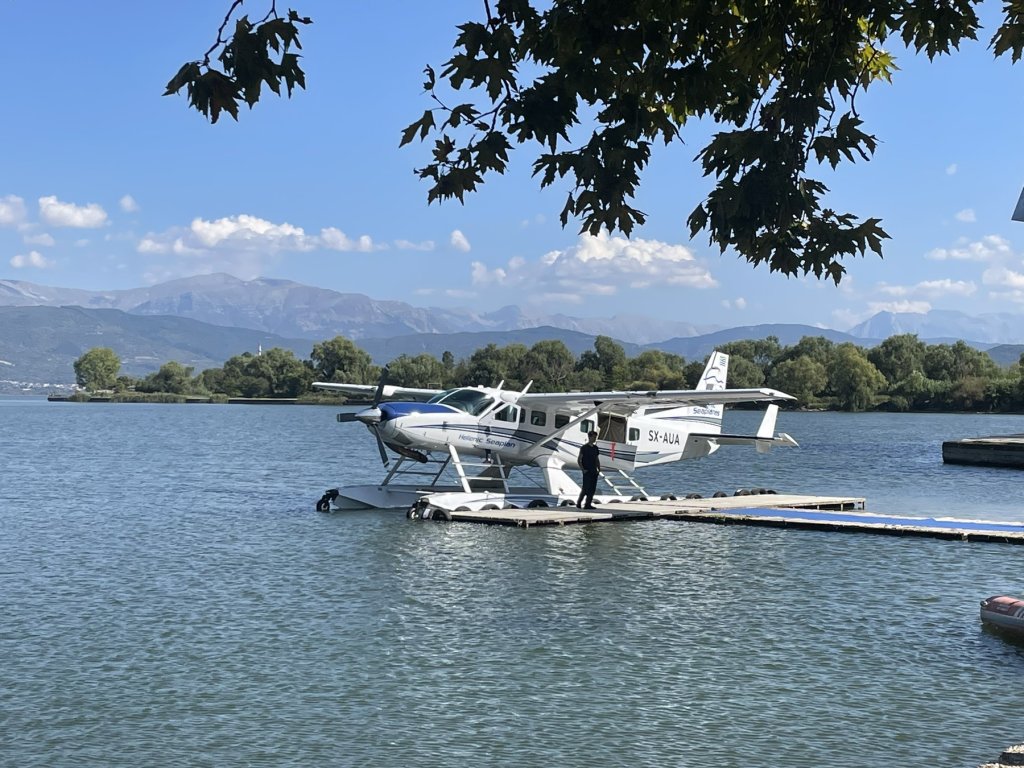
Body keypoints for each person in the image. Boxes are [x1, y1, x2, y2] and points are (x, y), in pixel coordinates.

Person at [576, 430, 601, 509]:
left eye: (595, 437)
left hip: (594, 470)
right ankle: (579, 502)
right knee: (585, 488)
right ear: (589, 437)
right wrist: (583, 469)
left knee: (592, 488)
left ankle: (588, 504)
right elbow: (579, 459)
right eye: (593, 437)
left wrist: (599, 468)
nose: (594, 439)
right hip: (587, 470)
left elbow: (597, 459)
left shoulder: (595, 448)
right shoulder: (584, 448)